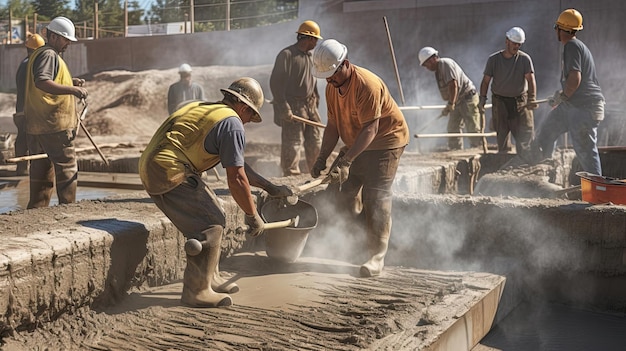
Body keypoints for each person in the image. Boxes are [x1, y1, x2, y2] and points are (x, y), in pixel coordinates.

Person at [139, 77, 293, 308]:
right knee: (210, 224)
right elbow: (236, 178)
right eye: (251, 115)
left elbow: (238, 166)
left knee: (217, 209)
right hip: (168, 170)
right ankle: (197, 290)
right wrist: (252, 216)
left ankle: (211, 277)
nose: (250, 121)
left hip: (155, 164)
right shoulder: (232, 123)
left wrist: (270, 188)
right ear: (243, 107)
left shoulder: (209, 109)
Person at [310, 39, 409, 278]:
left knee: (375, 196)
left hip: (386, 142)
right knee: (338, 191)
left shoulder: (367, 84)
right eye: (326, 77)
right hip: (357, 143)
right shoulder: (332, 86)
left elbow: (370, 130)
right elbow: (333, 125)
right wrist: (323, 156)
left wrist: (346, 161)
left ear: (345, 64)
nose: (330, 81)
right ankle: (355, 242)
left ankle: (377, 257)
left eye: (333, 75)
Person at [24, 17, 88, 209]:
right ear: (53, 36)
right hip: (55, 125)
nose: (68, 43)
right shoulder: (49, 55)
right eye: (65, 39)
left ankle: (36, 212)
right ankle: (67, 210)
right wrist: (73, 91)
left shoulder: (40, 54)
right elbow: (42, 82)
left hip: (37, 125)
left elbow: (46, 81)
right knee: (67, 167)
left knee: (41, 172)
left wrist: (70, 82)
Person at [533, 9, 605, 175]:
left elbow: (574, 80)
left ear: (561, 29)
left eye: (556, 27)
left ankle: (598, 191)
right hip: (574, 105)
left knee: (586, 151)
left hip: (584, 108)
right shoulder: (576, 47)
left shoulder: (571, 46)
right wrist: (561, 97)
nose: (555, 31)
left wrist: (562, 97)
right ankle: (545, 173)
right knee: (547, 131)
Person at [270, 20, 323, 176]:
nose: (317, 43)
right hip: (293, 105)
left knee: (315, 140)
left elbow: (313, 82)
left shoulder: (311, 57)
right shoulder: (287, 55)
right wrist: (283, 106)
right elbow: (276, 84)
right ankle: (291, 174)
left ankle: (316, 171)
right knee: (293, 142)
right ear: (309, 38)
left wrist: (316, 100)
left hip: (310, 104)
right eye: (316, 39)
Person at [479, 27, 538, 158]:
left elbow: (530, 79)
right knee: (502, 134)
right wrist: (482, 99)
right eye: (514, 43)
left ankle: (524, 162)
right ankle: (503, 164)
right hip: (500, 103)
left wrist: (531, 98)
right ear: (507, 41)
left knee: (525, 135)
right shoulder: (493, 60)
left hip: (520, 102)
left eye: (519, 44)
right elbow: (485, 81)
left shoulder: (524, 59)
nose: (516, 46)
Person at [418, 46, 482, 150]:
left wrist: (451, 104)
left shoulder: (445, 64)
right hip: (457, 100)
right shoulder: (438, 70)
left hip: (467, 98)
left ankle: (478, 150)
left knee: (472, 126)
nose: (427, 67)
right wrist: (449, 105)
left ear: (433, 58)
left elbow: (453, 84)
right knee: (453, 127)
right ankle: (455, 150)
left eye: (427, 64)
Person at [14, 32, 46, 176]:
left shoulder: (24, 63)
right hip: (30, 111)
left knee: (22, 138)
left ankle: (21, 170)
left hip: (20, 110)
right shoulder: (33, 65)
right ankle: (36, 174)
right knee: (35, 141)